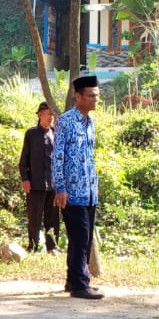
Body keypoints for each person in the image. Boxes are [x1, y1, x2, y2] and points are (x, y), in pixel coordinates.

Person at [52, 74, 102, 300]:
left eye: (97, 95)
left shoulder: (89, 122)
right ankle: (80, 285)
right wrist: (59, 187)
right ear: (78, 96)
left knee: (84, 238)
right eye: (91, 95)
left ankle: (73, 280)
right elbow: (57, 156)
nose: (95, 99)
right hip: (71, 192)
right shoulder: (66, 121)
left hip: (89, 191)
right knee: (80, 238)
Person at [18, 101, 59, 253]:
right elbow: (23, 161)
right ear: (40, 115)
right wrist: (25, 179)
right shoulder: (31, 134)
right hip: (35, 184)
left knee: (53, 218)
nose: (51, 118)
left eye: (52, 115)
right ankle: (33, 246)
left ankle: (52, 246)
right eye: (48, 114)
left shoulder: (55, 134)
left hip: (53, 185)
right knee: (34, 218)